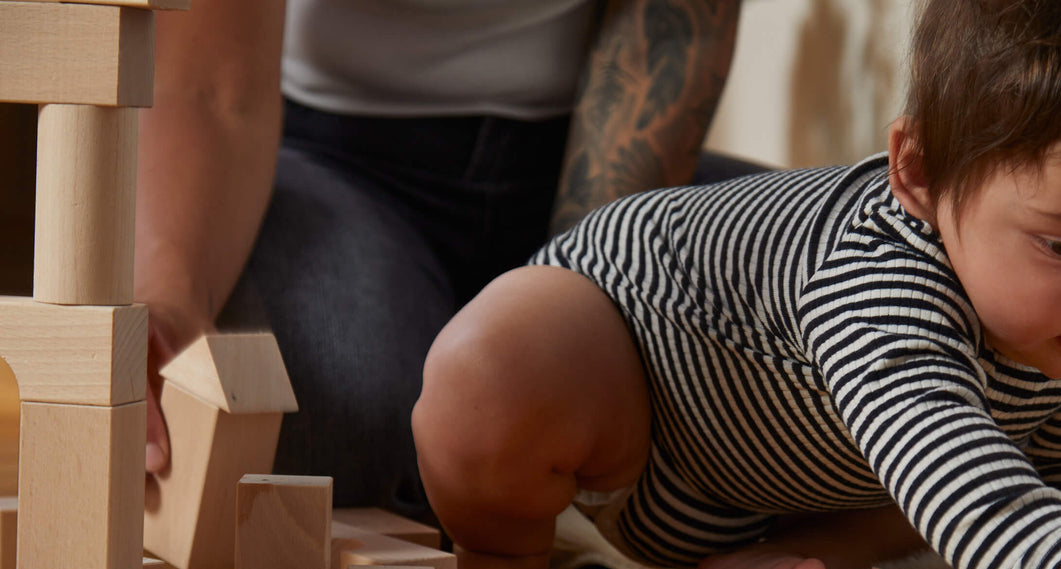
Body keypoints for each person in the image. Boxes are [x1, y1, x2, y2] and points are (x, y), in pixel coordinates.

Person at [411, 0, 1061, 569]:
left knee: (979, 484)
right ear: (921, 174)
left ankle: (754, 561)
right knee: (489, 368)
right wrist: (1058, 561)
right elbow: (926, 431)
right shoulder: (877, 271)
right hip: (644, 395)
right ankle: (501, 543)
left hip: (804, 473)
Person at [136, 0, 743, 524]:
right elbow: (209, 86)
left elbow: (669, 32)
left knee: (812, 296)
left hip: (582, 156)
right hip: (336, 164)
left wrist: (585, 332)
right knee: (343, 420)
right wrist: (172, 296)